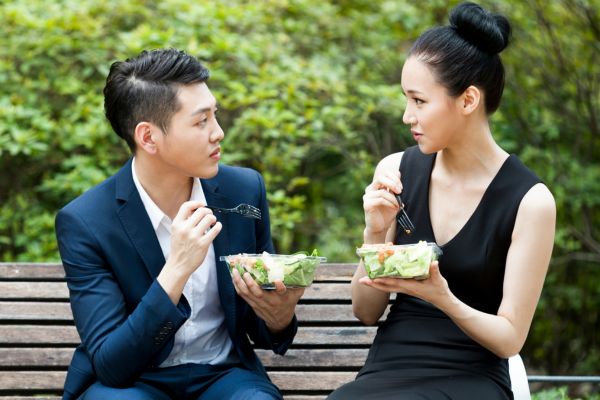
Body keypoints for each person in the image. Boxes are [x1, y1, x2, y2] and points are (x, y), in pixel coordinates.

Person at [327, 2, 555, 400]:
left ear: (468, 101)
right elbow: (365, 311)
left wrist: (442, 297)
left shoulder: (530, 202)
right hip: (390, 368)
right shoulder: (397, 170)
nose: (406, 116)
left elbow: (509, 339)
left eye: (419, 101)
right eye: (406, 99)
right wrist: (376, 230)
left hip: (474, 375)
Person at [55, 48, 304, 400]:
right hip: (134, 383)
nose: (218, 133)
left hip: (224, 376)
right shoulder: (86, 222)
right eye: (201, 122)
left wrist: (278, 315)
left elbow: (264, 331)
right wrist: (177, 269)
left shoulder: (243, 192)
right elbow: (113, 365)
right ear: (148, 137)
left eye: (214, 116)